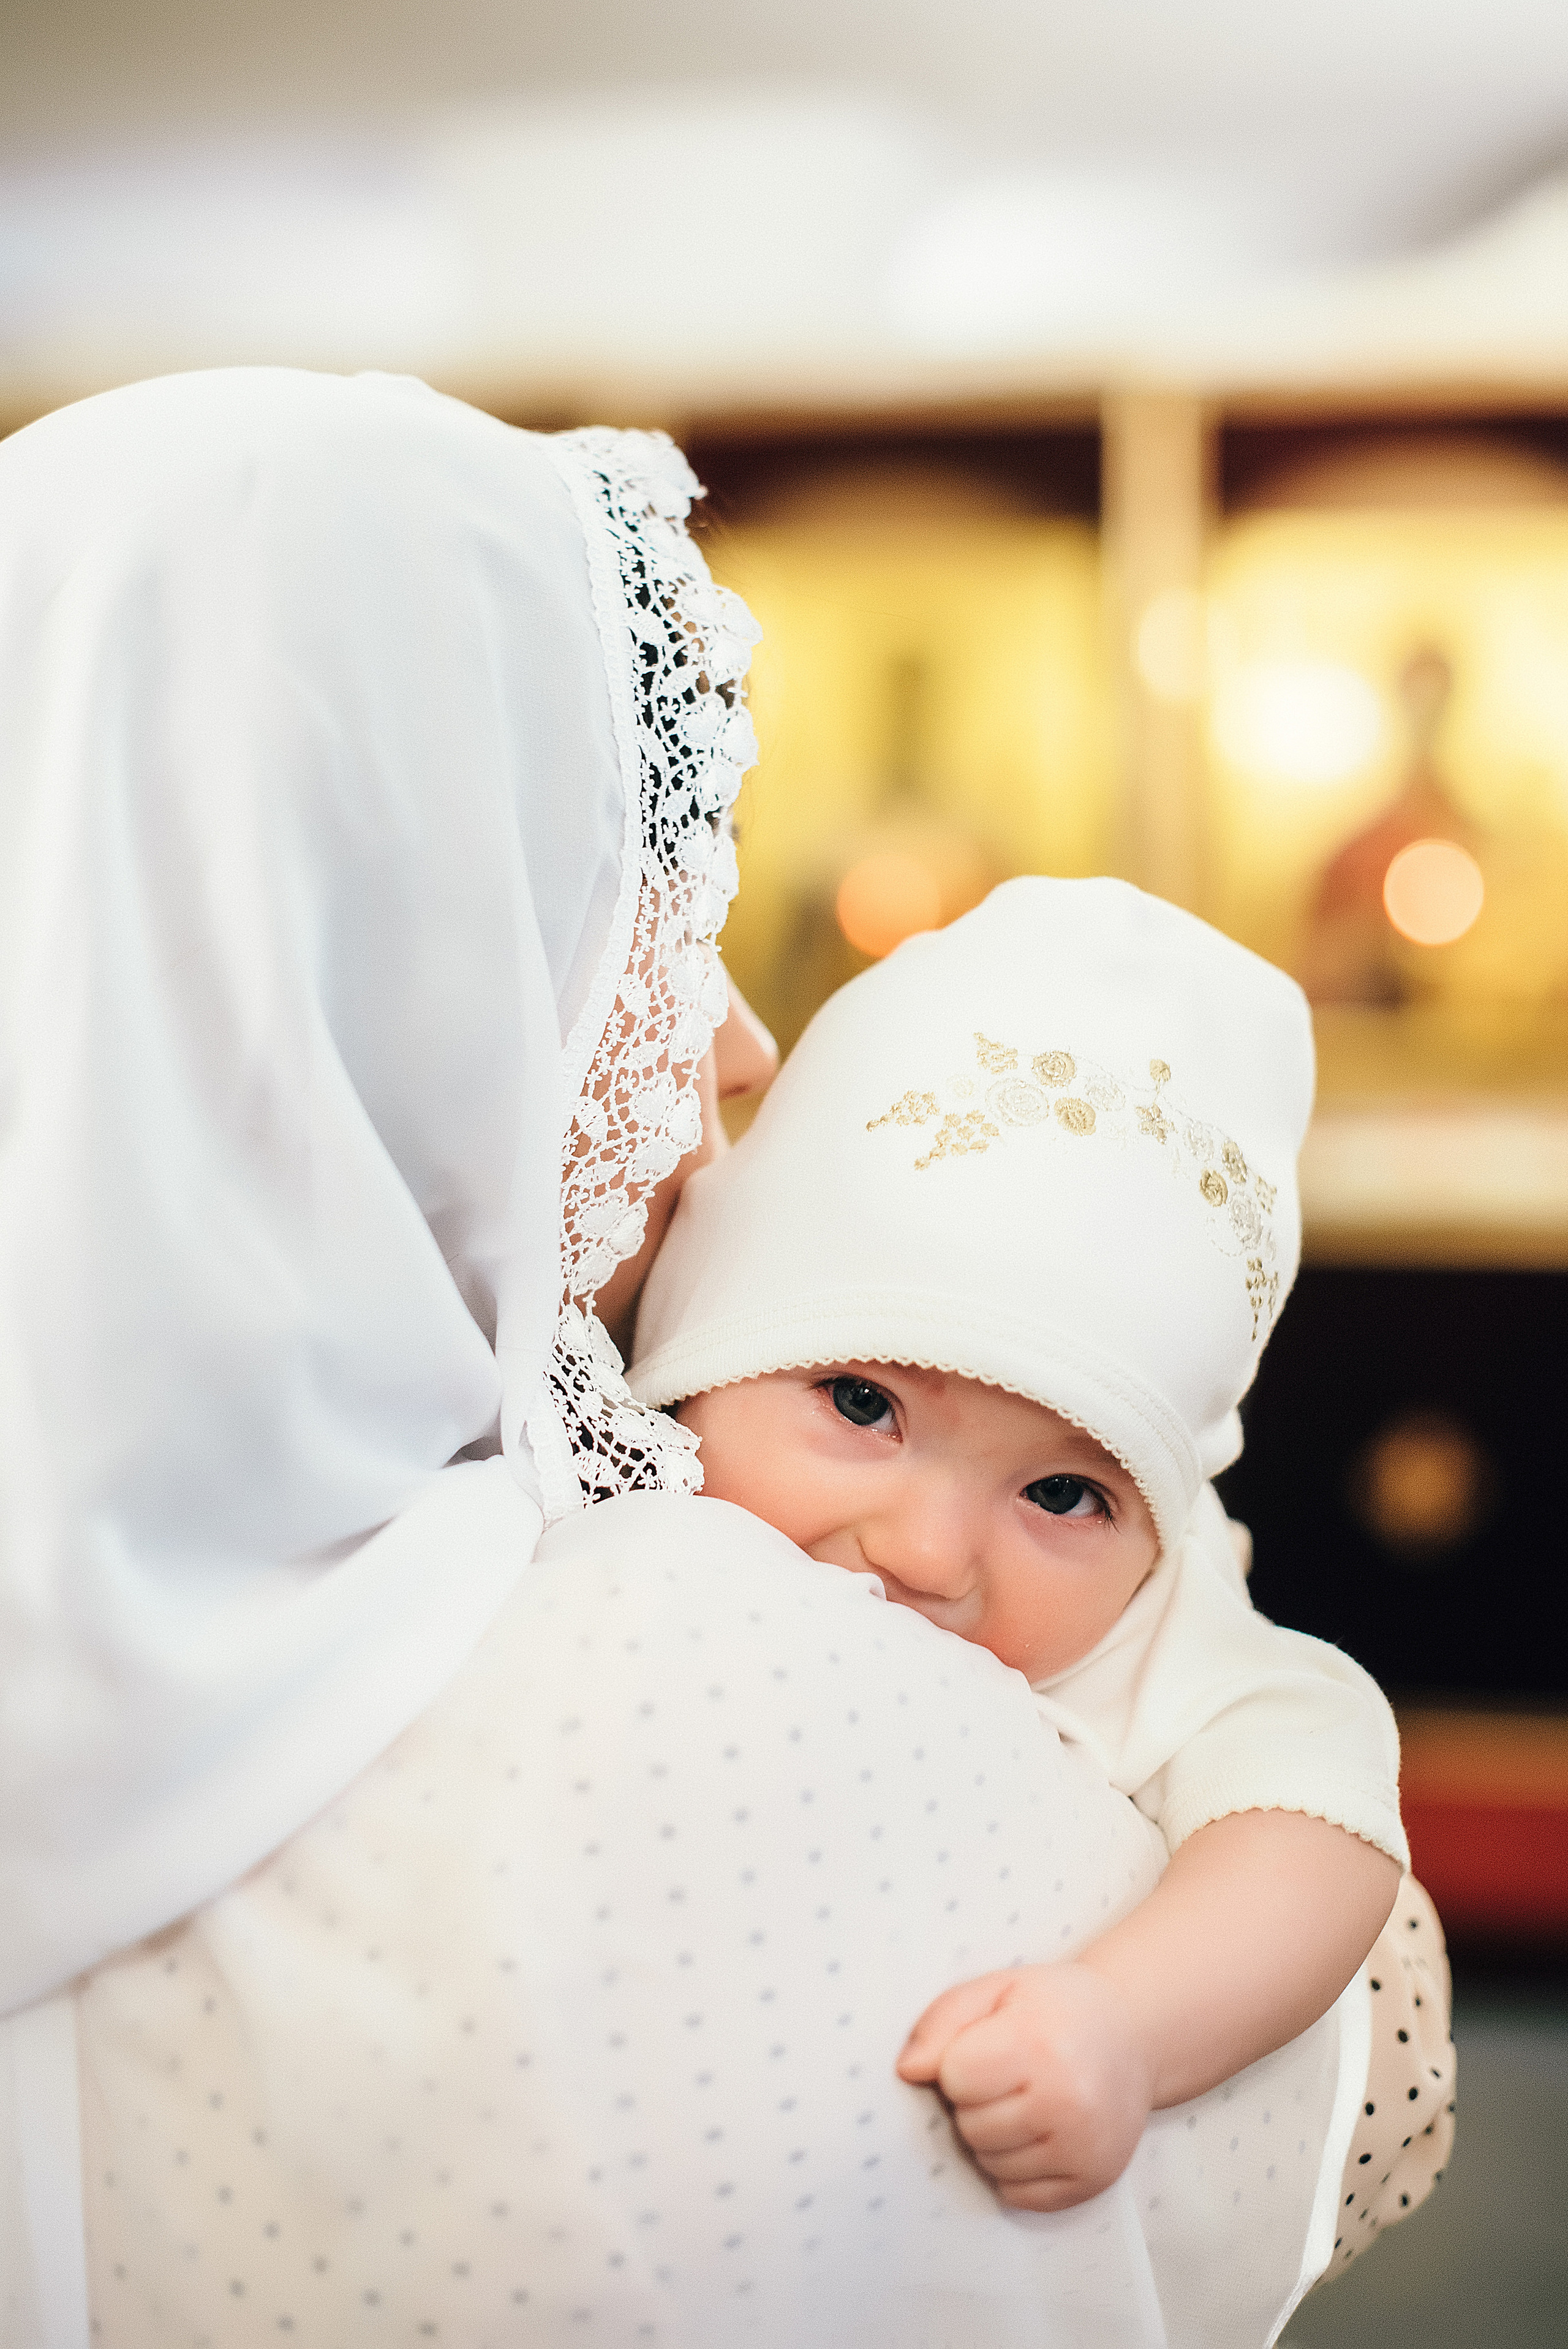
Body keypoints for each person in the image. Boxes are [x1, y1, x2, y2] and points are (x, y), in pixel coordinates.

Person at [1, 370, 1370, 2349]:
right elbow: (1346, 2074)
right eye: (636, 912)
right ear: (383, 949)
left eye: (1068, 1487)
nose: (735, 1040)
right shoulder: (672, 1657)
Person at [632, 877, 1456, 2237]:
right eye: (861, 1404)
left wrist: (1125, 2024)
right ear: (696, 1342)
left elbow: (1319, 1834)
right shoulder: (601, 1488)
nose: (925, 1551)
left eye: (1063, 1493)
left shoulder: (1157, 1630)